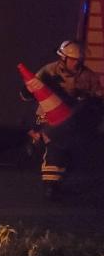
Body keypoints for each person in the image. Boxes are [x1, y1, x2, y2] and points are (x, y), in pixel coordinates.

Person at [26, 40, 103, 200]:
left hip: (74, 117)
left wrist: (92, 103)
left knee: (71, 147)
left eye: (79, 60)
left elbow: (98, 97)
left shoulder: (88, 76)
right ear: (63, 58)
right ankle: (50, 184)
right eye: (73, 60)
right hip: (48, 114)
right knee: (54, 143)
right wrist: (27, 91)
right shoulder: (48, 71)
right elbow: (34, 89)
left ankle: (57, 180)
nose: (76, 63)